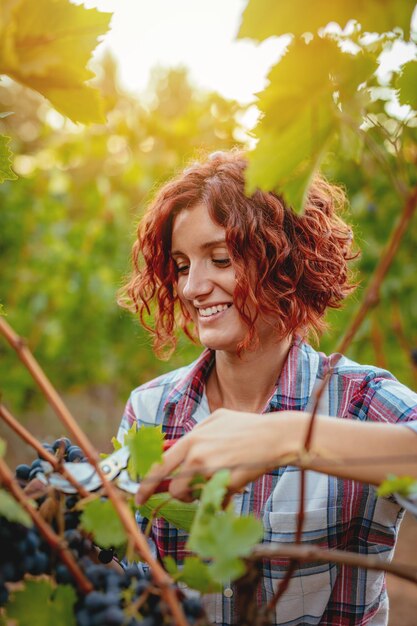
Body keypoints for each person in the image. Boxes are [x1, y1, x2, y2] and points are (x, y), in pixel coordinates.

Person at [117, 150, 417, 626]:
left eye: (219, 258)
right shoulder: (151, 410)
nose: (193, 287)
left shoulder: (358, 402)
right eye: (179, 266)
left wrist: (291, 438)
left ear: (285, 260)